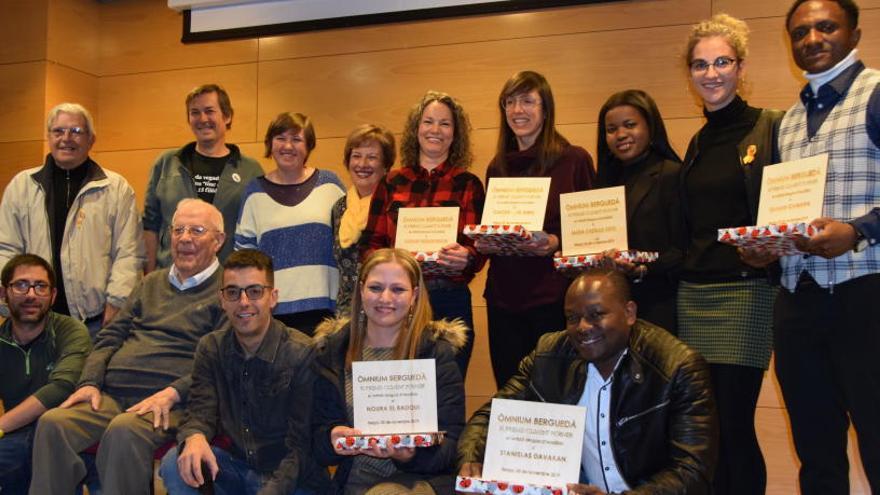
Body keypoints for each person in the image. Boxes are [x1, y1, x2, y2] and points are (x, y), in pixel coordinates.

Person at [750, 1, 879, 492]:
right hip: (799, 302)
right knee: (816, 450)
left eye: (826, 27)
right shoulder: (788, 119)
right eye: (800, 32)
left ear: (854, 33)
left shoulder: (877, 93)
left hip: (865, 295)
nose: (812, 39)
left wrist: (859, 229)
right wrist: (768, 246)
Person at [29, 199, 228, 495]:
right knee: (53, 424)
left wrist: (173, 393)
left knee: (124, 430)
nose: (185, 238)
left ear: (218, 241)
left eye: (197, 230)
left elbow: (221, 360)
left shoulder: (227, 291)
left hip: (170, 403)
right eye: (178, 230)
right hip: (112, 394)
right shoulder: (150, 283)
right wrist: (89, 382)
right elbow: (110, 337)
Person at [456, 269, 717, 494]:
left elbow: (692, 471)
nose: (582, 327)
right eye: (572, 317)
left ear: (629, 312)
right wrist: (470, 460)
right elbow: (490, 416)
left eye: (596, 314)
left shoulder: (677, 367)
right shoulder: (550, 353)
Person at [678, 14, 783, 495]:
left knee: (736, 424)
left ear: (740, 67)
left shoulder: (772, 128)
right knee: (707, 431)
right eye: (701, 65)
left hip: (745, 295)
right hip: (693, 297)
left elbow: (788, 210)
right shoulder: (697, 143)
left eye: (722, 61)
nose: (711, 73)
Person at [159, 249, 328, 494]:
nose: (244, 302)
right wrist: (194, 435)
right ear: (222, 300)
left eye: (255, 291)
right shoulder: (211, 348)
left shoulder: (302, 353)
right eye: (233, 292)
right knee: (176, 462)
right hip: (237, 469)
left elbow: (301, 447)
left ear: (273, 297)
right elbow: (199, 411)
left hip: (292, 478)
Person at [312, 248, 466, 495]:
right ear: (361, 290)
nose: (385, 298)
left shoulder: (436, 354)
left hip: (418, 480)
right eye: (375, 288)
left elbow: (452, 445)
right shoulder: (334, 352)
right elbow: (316, 440)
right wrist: (332, 439)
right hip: (353, 481)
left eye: (398, 289)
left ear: (414, 295)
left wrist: (410, 455)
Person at [478, 70, 595, 388]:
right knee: (511, 390)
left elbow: (593, 230)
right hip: (504, 298)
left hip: (555, 297)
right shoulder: (497, 166)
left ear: (546, 108)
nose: (518, 110)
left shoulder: (573, 160)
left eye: (528, 101)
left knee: (556, 390)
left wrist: (556, 241)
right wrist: (486, 241)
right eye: (510, 102)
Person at [362, 91, 485, 378]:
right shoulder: (392, 182)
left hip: (449, 300)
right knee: (398, 390)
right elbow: (370, 245)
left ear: (455, 134)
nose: (435, 130)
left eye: (445, 124)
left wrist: (467, 257)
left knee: (446, 394)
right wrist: (389, 263)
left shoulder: (468, 184)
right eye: (428, 122)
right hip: (397, 301)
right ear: (416, 129)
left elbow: (478, 247)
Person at [0, 102, 143, 337]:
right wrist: (9, 300)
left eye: (76, 131)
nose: (66, 138)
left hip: (96, 321)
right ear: (49, 137)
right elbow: (6, 248)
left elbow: (129, 252)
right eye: (58, 131)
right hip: (33, 317)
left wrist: (118, 301)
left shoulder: (116, 189)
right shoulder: (22, 186)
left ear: (91, 140)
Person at [235, 112, 345, 335]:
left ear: (309, 145)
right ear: (270, 144)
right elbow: (243, 257)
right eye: (280, 138)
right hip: (273, 313)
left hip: (326, 312)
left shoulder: (330, 185)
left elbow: (349, 242)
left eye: (296, 139)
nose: (287, 146)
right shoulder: (254, 192)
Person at [144, 83, 263, 271]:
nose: (203, 119)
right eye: (195, 113)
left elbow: (258, 231)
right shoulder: (167, 164)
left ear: (227, 116)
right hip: (170, 281)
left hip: (227, 283)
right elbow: (150, 225)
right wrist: (150, 280)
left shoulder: (250, 170)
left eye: (209, 111)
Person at [595, 89, 685, 334]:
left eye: (630, 125)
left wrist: (642, 268)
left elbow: (682, 249)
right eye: (611, 129)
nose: (621, 135)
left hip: (659, 305)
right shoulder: (603, 182)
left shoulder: (672, 174)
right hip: (611, 308)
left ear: (650, 126)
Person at [0, 254, 91, 492]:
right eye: (21, 285)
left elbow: (61, 388)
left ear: (53, 296)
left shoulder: (70, 330)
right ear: (3, 294)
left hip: (62, 433)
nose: (31, 294)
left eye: (40, 286)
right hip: (15, 434)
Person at [332, 124, 396, 315]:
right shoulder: (339, 208)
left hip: (386, 309)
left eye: (372, 157)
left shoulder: (394, 205)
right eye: (357, 155)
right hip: (346, 313)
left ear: (386, 165)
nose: (362, 164)